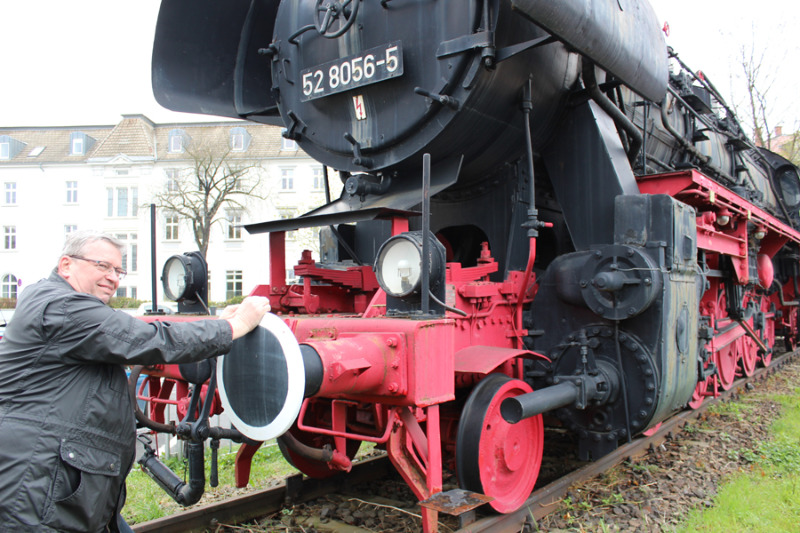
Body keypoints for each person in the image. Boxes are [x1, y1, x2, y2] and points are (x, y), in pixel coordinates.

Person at [0, 230, 271, 532]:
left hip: (59, 476)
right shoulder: (62, 307)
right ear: (66, 265)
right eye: (103, 266)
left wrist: (218, 324)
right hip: (40, 481)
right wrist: (234, 326)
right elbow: (146, 337)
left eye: (118, 270)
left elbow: (136, 332)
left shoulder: (57, 302)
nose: (113, 277)